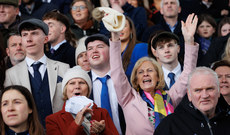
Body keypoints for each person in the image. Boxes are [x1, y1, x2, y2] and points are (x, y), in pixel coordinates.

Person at [109, 13, 199, 134]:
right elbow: (117, 73)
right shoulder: (128, 98)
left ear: (158, 77)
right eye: (140, 72)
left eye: (150, 70)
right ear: (136, 79)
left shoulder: (170, 97)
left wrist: (189, 41)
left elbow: (188, 73)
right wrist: (115, 38)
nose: (145, 74)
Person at [4, 18, 69, 127]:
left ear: (46, 38)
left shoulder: (64, 69)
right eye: (24, 35)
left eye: (34, 34)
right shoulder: (10, 74)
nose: (29, 39)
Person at [154, 67, 230, 135]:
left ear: (219, 91)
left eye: (209, 89)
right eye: (198, 90)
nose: (205, 95)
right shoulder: (170, 125)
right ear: (189, 95)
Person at [46, 66, 119, 135]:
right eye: (72, 83)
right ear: (65, 90)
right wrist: (76, 124)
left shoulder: (102, 113)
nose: (77, 86)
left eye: (81, 83)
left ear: (88, 89)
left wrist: (104, 131)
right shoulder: (53, 120)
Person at [85, 34, 125, 134]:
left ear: (111, 51)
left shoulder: (125, 79)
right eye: (90, 48)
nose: (94, 51)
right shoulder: (82, 83)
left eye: (100, 46)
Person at [120, 16, 148, 80]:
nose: (120, 29)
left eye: (124, 26)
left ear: (131, 30)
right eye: (117, 26)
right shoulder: (109, 52)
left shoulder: (141, 47)